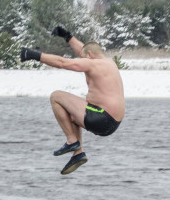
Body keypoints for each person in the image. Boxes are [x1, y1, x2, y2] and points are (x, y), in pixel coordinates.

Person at [20, 25, 125, 175]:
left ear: (89, 56)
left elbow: (63, 63)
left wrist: (35, 55)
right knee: (71, 115)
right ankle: (78, 154)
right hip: (113, 123)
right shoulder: (109, 63)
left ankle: (72, 141)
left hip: (102, 117)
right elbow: (85, 50)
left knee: (56, 97)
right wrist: (68, 36)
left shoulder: (91, 63)